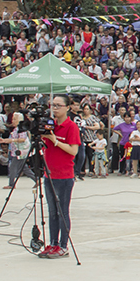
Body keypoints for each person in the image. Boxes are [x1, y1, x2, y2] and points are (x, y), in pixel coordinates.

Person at [38, 95, 80, 259]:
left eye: (58, 105)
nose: (55, 108)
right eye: (53, 105)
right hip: (49, 174)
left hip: (64, 175)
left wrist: (55, 141)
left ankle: (63, 246)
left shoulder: (71, 127)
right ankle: (53, 243)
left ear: (67, 107)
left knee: (62, 210)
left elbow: (73, 151)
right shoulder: (50, 125)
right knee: (52, 211)